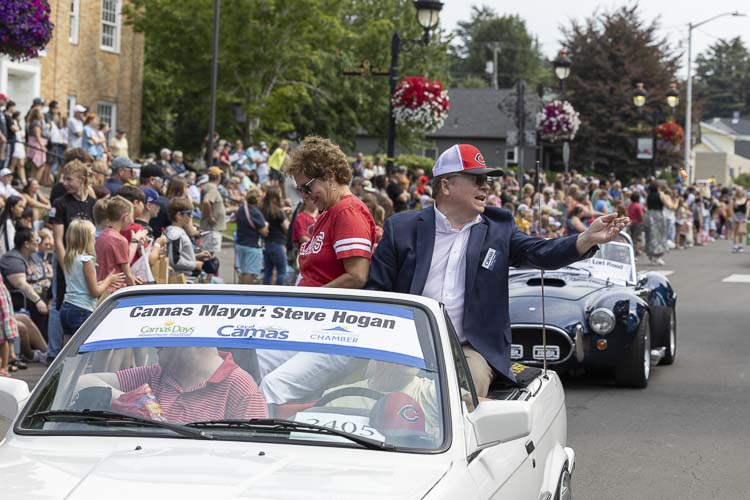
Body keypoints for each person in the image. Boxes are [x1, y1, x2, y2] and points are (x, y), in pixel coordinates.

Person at [366, 144, 629, 397]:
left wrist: (585, 239)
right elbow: (377, 291)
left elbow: (540, 252)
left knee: (465, 394)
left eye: (487, 180)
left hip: (468, 348)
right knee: (382, 386)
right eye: (475, 178)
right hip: (406, 340)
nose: (485, 186)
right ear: (445, 185)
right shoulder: (401, 227)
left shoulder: (499, 227)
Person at [256, 136, 377, 405]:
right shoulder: (328, 212)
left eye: (308, 187)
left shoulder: (348, 211)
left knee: (273, 387)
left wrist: (309, 299)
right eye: (300, 190)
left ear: (331, 175)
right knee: (253, 362)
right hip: (312, 322)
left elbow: (358, 275)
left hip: (338, 330)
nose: (305, 196)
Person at [75, 347, 269, 422]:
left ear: (192, 339)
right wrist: (137, 402)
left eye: (165, 334)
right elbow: (81, 383)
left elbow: (256, 455)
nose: (154, 344)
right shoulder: (156, 373)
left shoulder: (241, 388)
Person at [60, 219, 124, 339]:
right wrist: (108, 280)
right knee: (85, 349)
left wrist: (100, 282)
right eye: (93, 237)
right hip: (82, 309)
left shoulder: (70, 258)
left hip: (67, 307)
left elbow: (80, 284)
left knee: (68, 349)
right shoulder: (86, 261)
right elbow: (95, 292)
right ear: (88, 239)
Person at [95, 196, 139, 293]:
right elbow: (127, 275)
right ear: (125, 217)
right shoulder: (120, 240)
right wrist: (137, 292)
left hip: (101, 287)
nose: (132, 221)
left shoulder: (102, 235)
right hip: (114, 291)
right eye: (131, 217)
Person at [166, 197, 211, 280]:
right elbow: (175, 260)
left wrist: (196, 256)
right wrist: (195, 265)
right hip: (183, 279)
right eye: (189, 214)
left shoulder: (178, 232)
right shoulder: (175, 234)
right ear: (179, 215)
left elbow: (179, 254)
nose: (191, 217)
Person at [234, 187, 267, 284]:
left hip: (240, 243)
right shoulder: (256, 212)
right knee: (250, 272)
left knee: (244, 271)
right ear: (257, 199)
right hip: (251, 245)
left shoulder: (241, 209)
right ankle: (245, 293)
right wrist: (267, 226)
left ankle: (240, 291)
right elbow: (264, 232)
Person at [260, 186, 289, 285]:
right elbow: (286, 228)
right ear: (275, 197)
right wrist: (287, 217)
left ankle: (265, 293)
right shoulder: (278, 212)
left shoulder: (263, 210)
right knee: (282, 271)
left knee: (268, 271)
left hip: (267, 244)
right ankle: (280, 293)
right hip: (278, 244)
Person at [199, 168, 227, 255]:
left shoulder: (208, 187)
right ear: (218, 177)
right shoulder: (212, 189)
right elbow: (206, 201)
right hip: (212, 229)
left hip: (210, 229)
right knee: (208, 254)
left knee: (206, 253)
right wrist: (210, 217)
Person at [731, 187, 749, 253]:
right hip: (735, 216)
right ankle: (735, 245)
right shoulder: (733, 199)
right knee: (735, 232)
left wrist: (745, 218)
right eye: (738, 191)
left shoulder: (747, 199)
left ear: (743, 191)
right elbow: (731, 209)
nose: (739, 192)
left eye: (740, 191)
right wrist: (734, 217)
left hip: (743, 216)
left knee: (741, 231)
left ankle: (740, 245)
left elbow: (748, 210)